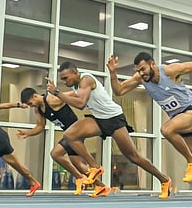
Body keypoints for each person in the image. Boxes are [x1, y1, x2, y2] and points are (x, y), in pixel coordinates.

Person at [107, 52, 192, 200]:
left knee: (166, 129)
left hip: (191, 111)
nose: (141, 73)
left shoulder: (169, 71)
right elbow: (119, 91)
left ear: (152, 64)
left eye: (143, 69)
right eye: (138, 70)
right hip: (178, 118)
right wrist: (113, 73)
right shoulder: (140, 78)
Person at [50, 61, 174, 199]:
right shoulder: (76, 85)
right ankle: (94, 167)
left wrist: (57, 92)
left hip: (113, 118)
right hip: (98, 119)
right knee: (70, 135)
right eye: (62, 79)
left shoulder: (86, 80)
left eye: (66, 78)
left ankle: (164, 180)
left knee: (133, 156)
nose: (64, 81)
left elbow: (80, 104)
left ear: (75, 72)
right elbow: (68, 99)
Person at [17, 87, 104, 196]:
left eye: (31, 103)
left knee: (56, 153)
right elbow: (40, 126)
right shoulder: (38, 109)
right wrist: (28, 133)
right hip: (69, 135)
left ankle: (80, 177)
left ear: (35, 96)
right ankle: (101, 186)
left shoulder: (52, 99)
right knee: (77, 164)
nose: (31, 106)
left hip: (76, 132)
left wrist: (90, 96)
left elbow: (75, 93)